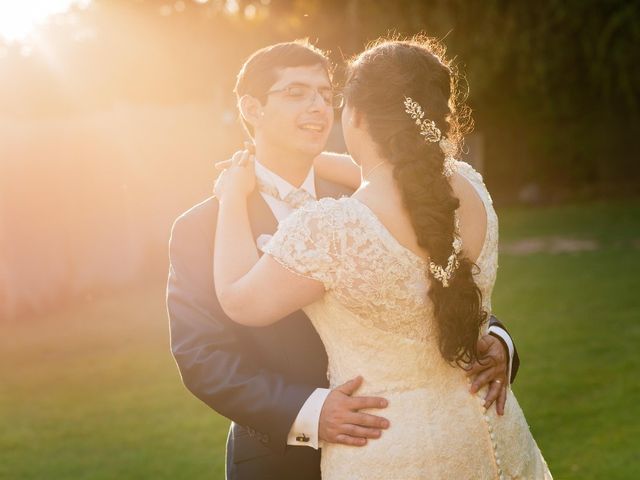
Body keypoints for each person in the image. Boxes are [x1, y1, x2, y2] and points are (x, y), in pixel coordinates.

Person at [168, 40, 519, 480]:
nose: (318, 106)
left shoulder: (373, 199)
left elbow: (442, 286)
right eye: (296, 92)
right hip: (281, 460)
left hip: (408, 447)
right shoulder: (203, 226)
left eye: (325, 93)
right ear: (252, 108)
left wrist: (501, 344)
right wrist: (310, 412)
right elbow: (203, 357)